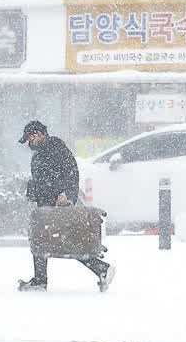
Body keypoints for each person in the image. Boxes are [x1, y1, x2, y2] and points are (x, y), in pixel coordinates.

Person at [18, 121, 115, 292]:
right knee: (48, 240)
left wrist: (64, 195)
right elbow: (45, 177)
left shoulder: (55, 148)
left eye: (30, 138)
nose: (29, 142)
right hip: (47, 203)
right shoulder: (43, 152)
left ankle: (101, 268)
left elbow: (68, 173)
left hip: (58, 203)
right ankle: (41, 279)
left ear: (40, 134)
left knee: (60, 241)